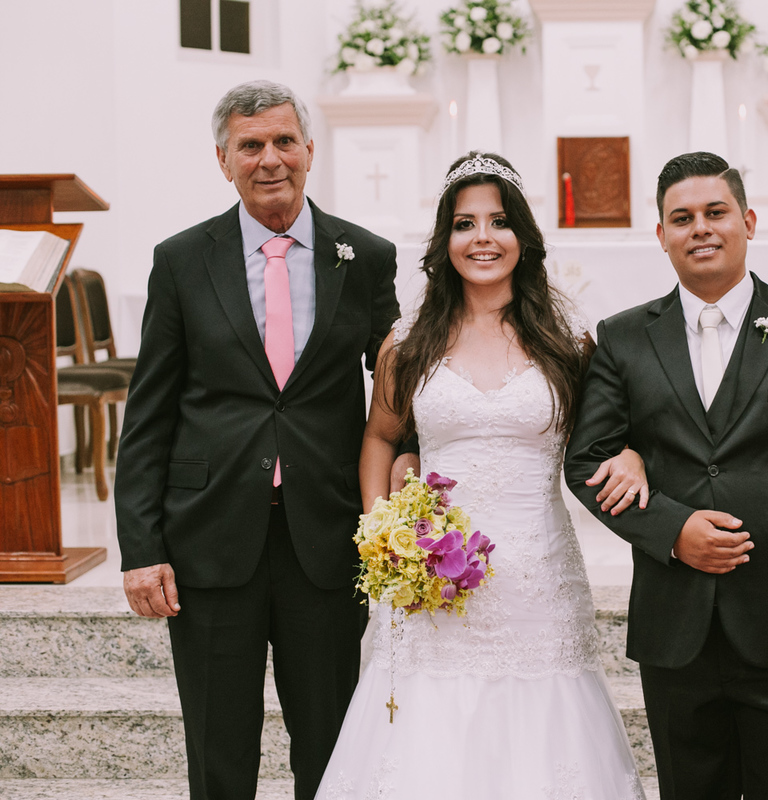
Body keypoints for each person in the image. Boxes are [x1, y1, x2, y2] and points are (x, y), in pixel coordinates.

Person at [315, 152, 647, 800]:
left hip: (538, 578)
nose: (482, 238)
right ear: (445, 240)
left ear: (523, 235)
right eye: (464, 224)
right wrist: (382, 533)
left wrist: (631, 454)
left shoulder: (567, 340)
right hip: (432, 575)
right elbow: (381, 437)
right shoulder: (409, 342)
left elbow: (609, 434)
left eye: (499, 221)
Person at [115, 80, 400, 800]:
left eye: (283, 141)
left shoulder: (364, 257)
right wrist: (141, 548)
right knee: (219, 750)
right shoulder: (182, 260)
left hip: (325, 538)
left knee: (330, 746)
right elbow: (149, 414)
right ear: (223, 160)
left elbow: (400, 397)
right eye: (250, 146)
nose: (270, 158)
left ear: (309, 150)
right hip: (209, 538)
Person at [563, 152, 768, 800]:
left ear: (748, 221)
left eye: (715, 212)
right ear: (662, 235)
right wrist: (673, 530)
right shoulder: (623, 338)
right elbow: (587, 460)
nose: (700, 228)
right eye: (682, 218)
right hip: (675, 622)